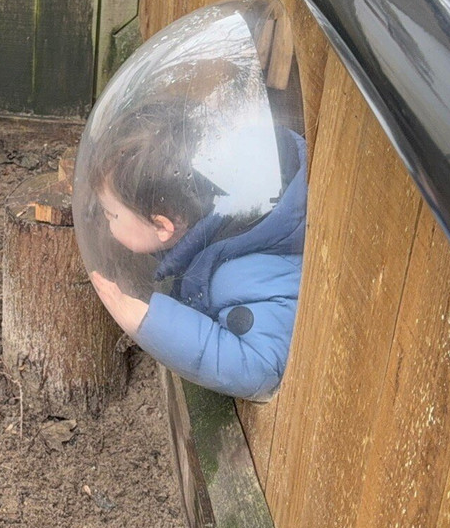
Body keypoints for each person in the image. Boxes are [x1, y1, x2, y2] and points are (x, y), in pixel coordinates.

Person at [86, 108, 307, 401]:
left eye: (111, 214)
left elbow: (260, 368)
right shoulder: (224, 205)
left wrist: (151, 323)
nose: (106, 223)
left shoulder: (238, 277)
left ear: (162, 225)